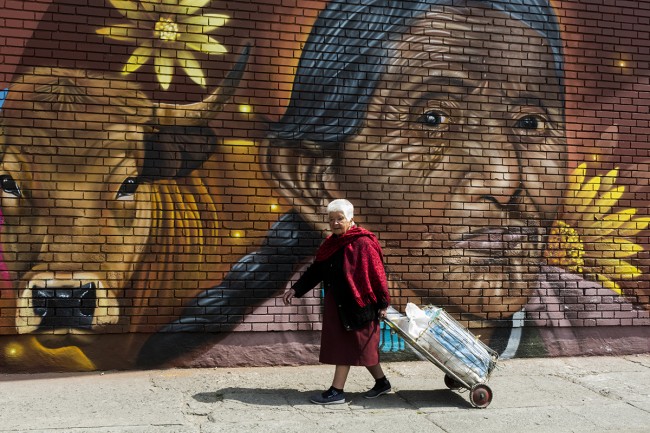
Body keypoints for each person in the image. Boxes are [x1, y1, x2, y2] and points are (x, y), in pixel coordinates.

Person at [262, 0, 568, 356]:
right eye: (432, 120)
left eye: (529, 123)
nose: (504, 181)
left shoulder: (595, 311)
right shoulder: (280, 333)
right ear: (311, 179)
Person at [282, 199, 392, 404]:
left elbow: (378, 274)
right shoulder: (331, 244)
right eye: (331, 219)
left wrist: (383, 303)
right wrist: (296, 289)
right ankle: (382, 383)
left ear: (351, 219)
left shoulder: (364, 242)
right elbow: (316, 271)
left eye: (339, 218)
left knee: (352, 348)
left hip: (361, 304)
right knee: (360, 349)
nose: (335, 223)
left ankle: (336, 391)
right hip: (339, 304)